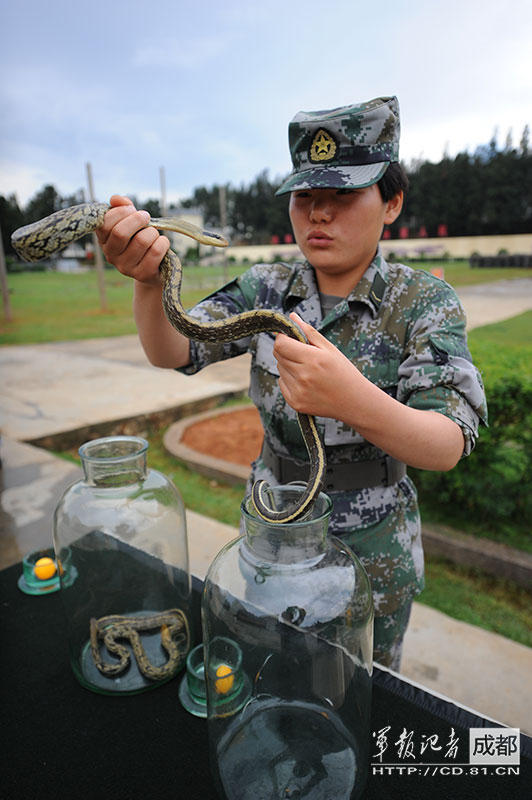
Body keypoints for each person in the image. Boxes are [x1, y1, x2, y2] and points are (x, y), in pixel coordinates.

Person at [97, 96, 487, 670]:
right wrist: (152, 284)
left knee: (364, 701)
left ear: (391, 202)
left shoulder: (421, 301)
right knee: (274, 680)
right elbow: (172, 348)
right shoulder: (266, 287)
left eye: (343, 195)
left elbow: (447, 441)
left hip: (374, 556)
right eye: (305, 196)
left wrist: (349, 398)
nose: (318, 214)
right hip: (274, 537)